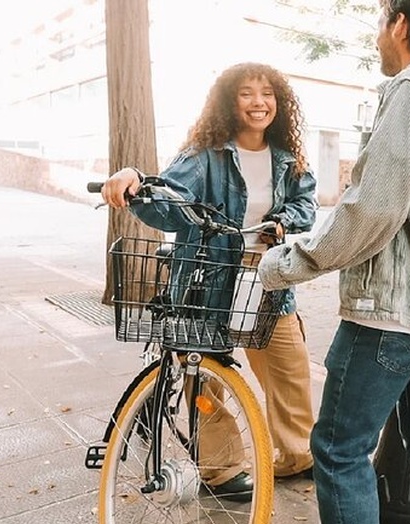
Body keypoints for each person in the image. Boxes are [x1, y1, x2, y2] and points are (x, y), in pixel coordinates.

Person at [257, 0, 410, 522]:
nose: (376, 38)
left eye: (380, 24)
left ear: (401, 24)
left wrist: (289, 262)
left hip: (391, 312)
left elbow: (373, 208)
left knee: (339, 450)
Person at [100, 62, 318, 500]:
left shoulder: (287, 160)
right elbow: (169, 200)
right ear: (228, 102)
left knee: (290, 371)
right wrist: (135, 181)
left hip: (269, 281)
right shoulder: (205, 155)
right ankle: (222, 470)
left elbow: (306, 204)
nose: (259, 102)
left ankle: (296, 456)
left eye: (267, 94)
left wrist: (281, 220)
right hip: (208, 284)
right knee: (206, 381)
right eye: (247, 93)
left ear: (279, 102)